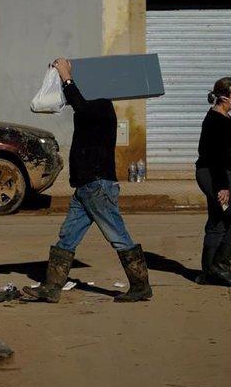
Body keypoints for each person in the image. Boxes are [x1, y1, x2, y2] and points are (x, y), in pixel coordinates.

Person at [23, 58, 152, 303]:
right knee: (68, 236)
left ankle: (140, 285)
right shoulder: (91, 105)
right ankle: (52, 287)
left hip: (97, 185)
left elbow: (80, 106)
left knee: (117, 235)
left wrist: (66, 76)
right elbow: (78, 104)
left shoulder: (101, 105)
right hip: (85, 186)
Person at [194, 77, 231, 287]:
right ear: (224, 98)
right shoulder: (214, 121)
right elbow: (214, 157)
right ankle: (220, 266)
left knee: (218, 222)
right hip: (215, 175)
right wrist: (222, 186)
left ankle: (207, 273)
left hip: (218, 175)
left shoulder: (223, 117)